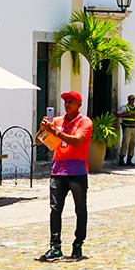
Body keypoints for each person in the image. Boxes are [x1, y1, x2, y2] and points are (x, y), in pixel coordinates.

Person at [40, 90, 92, 260]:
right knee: (55, 209)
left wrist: (55, 132)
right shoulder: (57, 121)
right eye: (65, 101)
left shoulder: (85, 122)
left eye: (71, 101)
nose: (67, 104)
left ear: (79, 105)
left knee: (80, 209)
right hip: (58, 170)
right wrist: (43, 131)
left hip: (77, 171)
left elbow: (77, 141)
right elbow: (40, 141)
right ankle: (55, 246)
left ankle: (78, 244)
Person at [115, 96, 135, 167]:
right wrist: (127, 114)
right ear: (128, 100)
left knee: (133, 142)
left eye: (133, 99)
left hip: (134, 127)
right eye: (131, 99)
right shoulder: (124, 107)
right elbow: (117, 115)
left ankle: (129, 160)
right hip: (127, 127)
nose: (132, 101)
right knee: (126, 142)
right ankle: (121, 159)